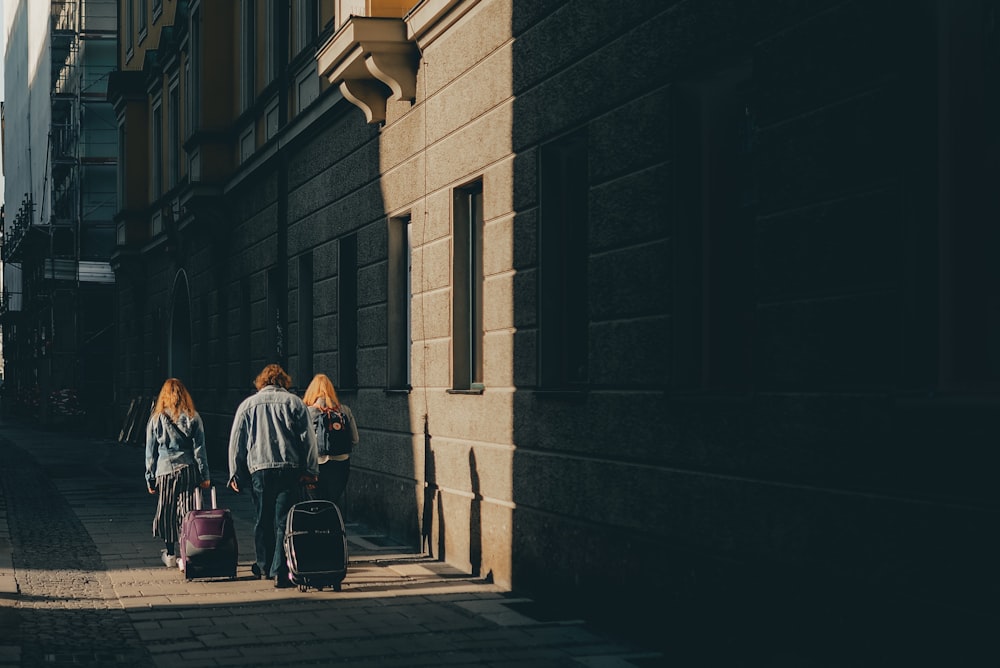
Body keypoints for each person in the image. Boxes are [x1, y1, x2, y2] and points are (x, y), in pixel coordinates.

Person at [227, 363, 318, 588]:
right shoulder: (294, 403)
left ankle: (263, 565)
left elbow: (236, 442)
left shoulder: (247, 405)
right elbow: (309, 440)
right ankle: (280, 569)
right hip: (289, 468)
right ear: (283, 381)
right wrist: (311, 470)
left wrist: (235, 473)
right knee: (284, 520)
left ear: (261, 382)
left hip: (259, 468)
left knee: (262, 518)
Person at [144, 378, 211, 569]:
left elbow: (150, 452)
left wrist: (150, 478)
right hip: (188, 468)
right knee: (188, 511)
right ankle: (185, 554)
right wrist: (204, 475)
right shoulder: (193, 416)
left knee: (167, 511)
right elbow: (200, 450)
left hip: (165, 471)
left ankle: (171, 554)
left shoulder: (156, 419)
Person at [303, 373, 360, 508]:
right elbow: (355, 439)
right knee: (332, 504)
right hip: (341, 463)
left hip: (315, 464)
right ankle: (331, 527)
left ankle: (318, 527)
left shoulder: (307, 412)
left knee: (316, 504)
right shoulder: (344, 410)